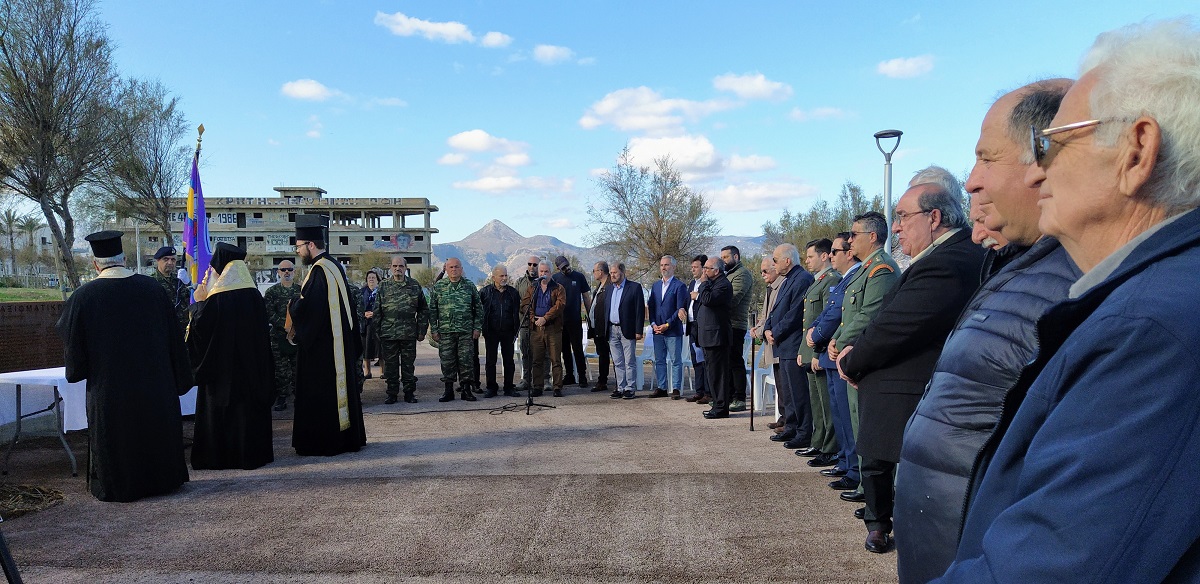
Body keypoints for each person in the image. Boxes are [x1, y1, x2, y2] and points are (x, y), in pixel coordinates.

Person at [935, 20, 1200, 581]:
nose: (1039, 167)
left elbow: (1051, 566)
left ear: (1137, 151)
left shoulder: (1152, 330)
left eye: (1052, 142)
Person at [894, 80, 1076, 583]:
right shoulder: (1024, 272)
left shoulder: (1078, 288)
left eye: (987, 159)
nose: (971, 183)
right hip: (943, 546)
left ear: (1049, 157)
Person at [837, 169, 986, 555]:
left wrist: (853, 361)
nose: (896, 228)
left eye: (903, 217)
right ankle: (880, 521)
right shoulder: (941, 256)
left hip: (907, 389)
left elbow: (894, 326)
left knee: (908, 483)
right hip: (893, 386)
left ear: (934, 218)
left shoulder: (948, 261)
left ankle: (890, 526)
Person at [56, 230, 193, 502]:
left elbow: (73, 348)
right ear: (125, 258)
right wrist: (180, 377)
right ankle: (164, 479)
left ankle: (118, 485)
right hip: (156, 386)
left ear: (96, 264)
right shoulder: (153, 290)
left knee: (117, 440)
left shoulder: (83, 297)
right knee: (156, 434)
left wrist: (79, 369)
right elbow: (175, 338)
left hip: (111, 391)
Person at [827, 212, 901, 505]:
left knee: (866, 428)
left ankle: (873, 495)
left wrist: (840, 340)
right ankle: (864, 488)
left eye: (854, 234)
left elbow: (871, 312)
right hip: (852, 356)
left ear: (872, 237)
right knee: (856, 423)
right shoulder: (863, 270)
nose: (849, 239)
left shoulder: (881, 270)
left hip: (864, 356)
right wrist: (837, 341)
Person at [186, 242, 274, 470]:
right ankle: (251, 455)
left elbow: (201, 332)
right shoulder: (255, 296)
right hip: (251, 373)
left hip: (221, 375)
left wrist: (198, 304)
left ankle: (219, 457)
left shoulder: (215, 300)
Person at [288, 215, 367, 456]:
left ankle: (323, 442)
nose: (298, 251)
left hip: (323, 351)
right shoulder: (332, 266)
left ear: (311, 245)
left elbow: (311, 310)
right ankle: (345, 438)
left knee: (322, 394)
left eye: (299, 246)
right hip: (336, 344)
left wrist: (293, 306)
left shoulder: (319, 271)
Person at [807, 234, 863, 497]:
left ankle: (853, 470)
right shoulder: (843, 280)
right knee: (839, 414)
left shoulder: (855, 276)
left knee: (846, 416)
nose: (831, 256)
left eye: (835, 251)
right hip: (830, 352)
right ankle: (845, 461)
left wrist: (817, 336)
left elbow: (838, 315)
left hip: (838, 351)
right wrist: (815, 332)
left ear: (849, 253)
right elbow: (827, 312)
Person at [762, 244, 815, 448]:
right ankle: (791, 427)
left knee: (798, 392)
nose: (773, 264)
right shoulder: (787, 280)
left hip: (793, 344)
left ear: (787, 260)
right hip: (783, 345)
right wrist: (767, 328)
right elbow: (774, 310)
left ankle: (803, 431)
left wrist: (775, 331)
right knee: (788, 391)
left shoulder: (802, 279)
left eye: (775, 260)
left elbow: (795, 313)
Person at [796, 239, 841, 466]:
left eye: (811, 256)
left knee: (827, 404)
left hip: (820, 352)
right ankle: (818, 441)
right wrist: (804, 351)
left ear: (824, 256)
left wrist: (816, 354)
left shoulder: (831, 280)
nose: (807, 261)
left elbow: (827, 321)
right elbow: (809, 322)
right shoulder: (818, 282)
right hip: (811, 350)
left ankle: (830, 447)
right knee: (816, 402)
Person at [429, 257, 483, 402]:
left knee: (466, 361)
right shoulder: (439, 286)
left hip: (465, 332)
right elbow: (432, 310)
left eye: (457, 267)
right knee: (447, 361)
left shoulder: (469, 286)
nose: (454, 270)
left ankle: (466, 390)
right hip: (446, 332)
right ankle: (448, 390)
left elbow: (479, 309)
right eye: (451, 267)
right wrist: (434, 329)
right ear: (446, 269)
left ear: (461, 269)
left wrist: (477, 327)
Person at [376, 256, 428, 404]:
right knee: (391, 366)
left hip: (408, 333)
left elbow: (423, 309)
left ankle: (409, 393)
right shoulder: (383, 286)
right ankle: (392, 393)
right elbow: (377, 310)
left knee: (408, 365)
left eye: (400, 266)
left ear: (405, 268)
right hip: (389, 333)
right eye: (394, 266)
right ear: (390, 268)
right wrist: (377, 331)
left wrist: (421, 330)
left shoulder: (414, 285)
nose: (397, 268)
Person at [695, 257, 734, 418]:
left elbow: (707, 299)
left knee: (719, 374)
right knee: (712, 372)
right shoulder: (714, 284)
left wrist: (703, 284)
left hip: (717, 337)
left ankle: (721, 407)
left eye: (707, 268)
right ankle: (717, 405)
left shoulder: (723, 285)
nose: (704, 271)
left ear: (716, 270)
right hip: (709, 337)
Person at [520, 260, 566, 397]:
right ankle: (537, 386)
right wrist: (534, 317)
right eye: (541, 271)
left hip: (553, 328)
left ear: (551, 273)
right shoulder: (533, 288)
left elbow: (560, 305)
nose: (543, 274)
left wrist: (546, 318)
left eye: (546, 271)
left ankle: (557, 387)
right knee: (537, 359)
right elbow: (524, 305)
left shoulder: (558, 288)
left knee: (555, 359)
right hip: (536, 327)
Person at [647, 255, 689, 399]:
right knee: (659, 360)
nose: (664, 268)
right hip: (657, 330)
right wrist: (653, 324)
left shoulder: (679, 286)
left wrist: (666, 325)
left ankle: (676, 388)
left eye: (667, 265)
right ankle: (662, 387)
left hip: (672, 331)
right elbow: (651, 306)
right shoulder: (656, 286)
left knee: (675, 359)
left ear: (674, 267)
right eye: (662, 265)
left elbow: (679, 309)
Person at [750, 256, 785, 427]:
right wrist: (758, 327)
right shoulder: (770, 288)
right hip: (771, 341)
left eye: (765, 271)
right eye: (761, 271)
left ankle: (787, 420)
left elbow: (777, 316)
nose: (762, 274)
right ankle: (784, 418)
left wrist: (763, 330)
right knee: (780, 383)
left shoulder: (782, 286)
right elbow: (765, 316)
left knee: (785, 385)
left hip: (780, 341)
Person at [719, 246, 753, 411]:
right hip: (726, 324)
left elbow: (734, 299)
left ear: (736, 257)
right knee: (727, 362)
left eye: (726, 257)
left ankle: (739, 397)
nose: (723, 260)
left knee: (735, 361)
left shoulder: (742, 274)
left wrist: (715, 302)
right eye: (722, 257)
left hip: (736, 325)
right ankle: (729, 396)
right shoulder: (729, 274)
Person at [264, 260, 301, 411]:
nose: (286, 272)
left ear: (294, 271)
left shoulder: (301, 291)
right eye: (283, 270)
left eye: (289, 269)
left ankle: (299, 396)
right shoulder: (271, 292)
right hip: (278, 336)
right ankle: (282, 397)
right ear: (278, 272)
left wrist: (294, 328)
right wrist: (285, 326)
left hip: (297, 336)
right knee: (280, 369)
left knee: (298, 368)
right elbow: (268, 313)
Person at [605, 262, 645, 400]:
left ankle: (630, 388)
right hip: (612, 329)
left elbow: (640, 311)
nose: (612, 275)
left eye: (615, 272)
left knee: (629, 361)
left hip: (627, 329)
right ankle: (620, 387)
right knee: (617, 361)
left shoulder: (634, 288)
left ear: (622, 272)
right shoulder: (609, 289)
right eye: (610, 273)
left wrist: (638, 330)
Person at [480, 265, 521, 397]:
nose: (504, 278)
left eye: (505, 275)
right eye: (501, 276)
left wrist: (516, 330)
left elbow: (517, 312)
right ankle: (491, 387)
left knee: (509, 360)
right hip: (491, 331)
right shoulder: (485, 292)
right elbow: (478, 310)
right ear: (494, 277)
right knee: (490, 361)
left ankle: (509, 387)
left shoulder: (513, 293)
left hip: (508, 332)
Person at [552, 255, 592, 388]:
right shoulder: (555, 279)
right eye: (563, 267)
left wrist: (590, 314)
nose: (567, 268)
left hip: (575, 320)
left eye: (567, 265)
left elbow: (586, 297)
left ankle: (582, 376)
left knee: (577, 349)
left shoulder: (579, 276)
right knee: (565, 350)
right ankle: (569, 375)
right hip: (560, 320)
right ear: (558, 268)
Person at [682, 256, 709, 404]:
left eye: (696, 267)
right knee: (696, 360)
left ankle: (708, 392)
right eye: (692, 267)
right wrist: (682, 309)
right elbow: (687, 302)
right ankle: (699, 391)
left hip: (703, 327)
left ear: (704, 268)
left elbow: (707, 302)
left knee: (705, 360)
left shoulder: (707, 284)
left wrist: (698, 297)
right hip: (692, 326)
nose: (693, 269)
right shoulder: (692, 283)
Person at [151, 245, 192, 333]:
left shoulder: (179, 280)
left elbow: (190, 299)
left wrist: (188, 283)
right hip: (165, 330)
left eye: (173, 259)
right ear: (158, 260)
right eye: (166, 259)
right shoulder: (152, 282)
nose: (170, 262)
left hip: (184, 329)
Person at [586, 261, 613, 393]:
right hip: (597, 327)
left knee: (605, 354)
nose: (593, 273)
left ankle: (603, 381)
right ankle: (602, 380)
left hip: (605, 328)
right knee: (601, 353)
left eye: (594, 270)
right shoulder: (600, 286)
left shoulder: (609, 286)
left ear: (601, 271)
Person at [514, 255, 540, 391]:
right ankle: (526, 380)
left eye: (535, 265)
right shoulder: (520, 282)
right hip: (524, 324)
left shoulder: (544, 281)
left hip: (540, 323)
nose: (532, 267)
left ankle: (544, 380)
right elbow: (516, 301)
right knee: (526, 353)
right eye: (530, 264)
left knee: (542, 353)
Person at [360, 270, 381, 379]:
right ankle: (367, 372)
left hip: (378, 324)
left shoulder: (382, 291)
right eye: (369, 278)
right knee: (366, 349)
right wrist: (364, 314)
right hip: (366, 325)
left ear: (377, 280)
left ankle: (383, 371)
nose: (371, 280)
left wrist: (375, 313)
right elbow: (357, 308)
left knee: (380, 349)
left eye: (373, 277)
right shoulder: (362, 292)